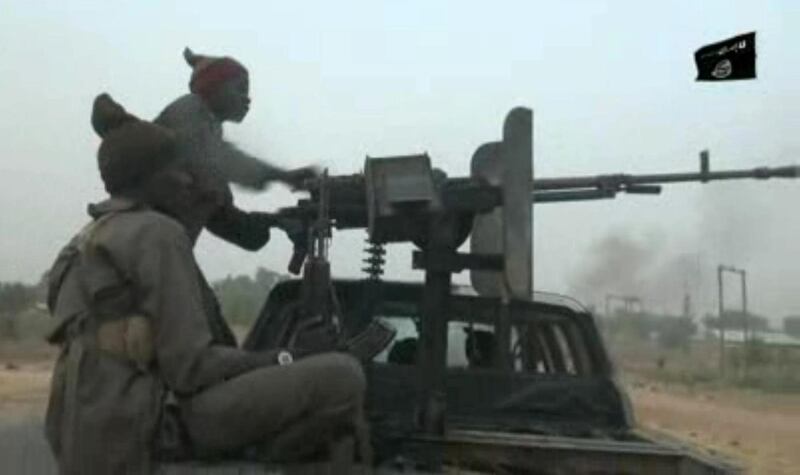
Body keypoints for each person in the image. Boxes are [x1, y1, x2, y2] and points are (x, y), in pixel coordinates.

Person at [45, 96, 367, 474]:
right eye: (177, 170)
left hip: (84, 423)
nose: (185, 179)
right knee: (343, 376)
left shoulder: (88, 239)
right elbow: (191, 368)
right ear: (148, 176)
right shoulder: (157, 233)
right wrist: (286, 356)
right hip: (148, 419)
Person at [152, 47, 317, 250]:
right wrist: (281, 176)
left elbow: (224, 218)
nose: (247, 99)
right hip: (144, 241)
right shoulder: (190, 110)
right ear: (213, 87)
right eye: (240, 89)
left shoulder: (207, 131)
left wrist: (273, 220)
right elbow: (220, 163)